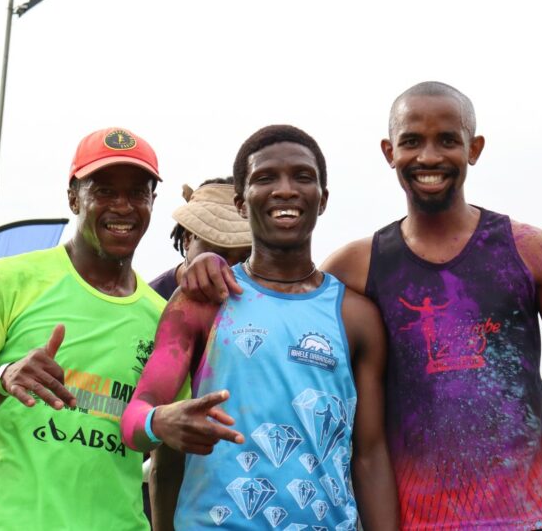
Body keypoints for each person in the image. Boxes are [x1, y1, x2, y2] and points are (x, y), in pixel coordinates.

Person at [177, 83, 542, 530]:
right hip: (414, 518)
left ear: (473, 148)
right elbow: (274, 295)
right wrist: (198, 266)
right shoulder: (359, 266)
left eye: (447, 141)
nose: (429, 157)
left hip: (522, 516)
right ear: (389, 152)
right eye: (412, 141)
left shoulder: (526, 249)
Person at [121, 125, 399, 529]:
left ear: (322, 199)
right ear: (240, 202)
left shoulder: (355, 316)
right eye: (265, 178)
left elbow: (370, 455)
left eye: (302, 177)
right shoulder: (202, 301)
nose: (285, 189)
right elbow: (134, 422)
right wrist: (158, 422)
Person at [0, 127, 166, 530]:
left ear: (152, 201)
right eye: (104, 190)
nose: (123, 206)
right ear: (73, 197)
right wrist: (3, 377)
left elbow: (163, 446)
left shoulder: (162, 318)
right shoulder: (8, 281)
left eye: (138, 192)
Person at [148, 177, 251, 531]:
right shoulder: (153, 301)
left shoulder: (259, 298)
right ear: (189, 238)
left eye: (244, 255)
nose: (228, 268)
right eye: (219, 251)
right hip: (173, 468)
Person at [150, 177, 251, 300]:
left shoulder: (260, 302)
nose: (230, 269)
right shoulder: (150, 305)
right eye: (218, 255)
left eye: (245, 259)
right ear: (187, 238)